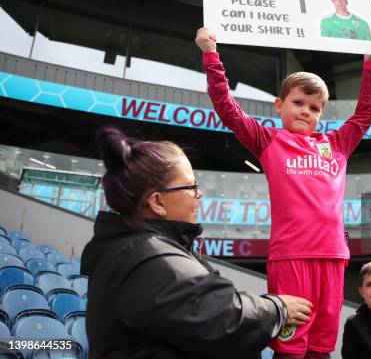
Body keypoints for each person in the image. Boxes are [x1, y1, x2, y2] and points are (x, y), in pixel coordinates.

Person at [196, 27, 371, 359]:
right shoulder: (268, 140)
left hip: (333, 256)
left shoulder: (337, 144)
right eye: (298, 103)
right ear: (279, 104)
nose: (305, 111)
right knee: (291, 343)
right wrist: (211, 55)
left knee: (321, 345)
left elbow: (364, 114)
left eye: (314, 108)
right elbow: (228, 108)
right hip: (291, 256)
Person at [81, 127, 313, 359]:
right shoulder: (150, 259)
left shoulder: (136, 249)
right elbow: (225, 320)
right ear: (157, 202)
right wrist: (278, 309)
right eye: (191, 187)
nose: (199, 194)